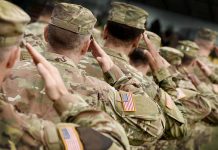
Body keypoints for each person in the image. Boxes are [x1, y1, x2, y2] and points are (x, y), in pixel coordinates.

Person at [2, 2, 165, 148]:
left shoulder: (8, 73)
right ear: (87, 45)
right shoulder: (101, 91)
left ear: (45, 34)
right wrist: (120, 78)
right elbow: (152, 127)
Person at [79, 1, 187, 141]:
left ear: (105, 31)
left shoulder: (71, 60)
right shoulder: (147, 85)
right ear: (137, 42)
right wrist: (165, 78)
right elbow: (179, 130)